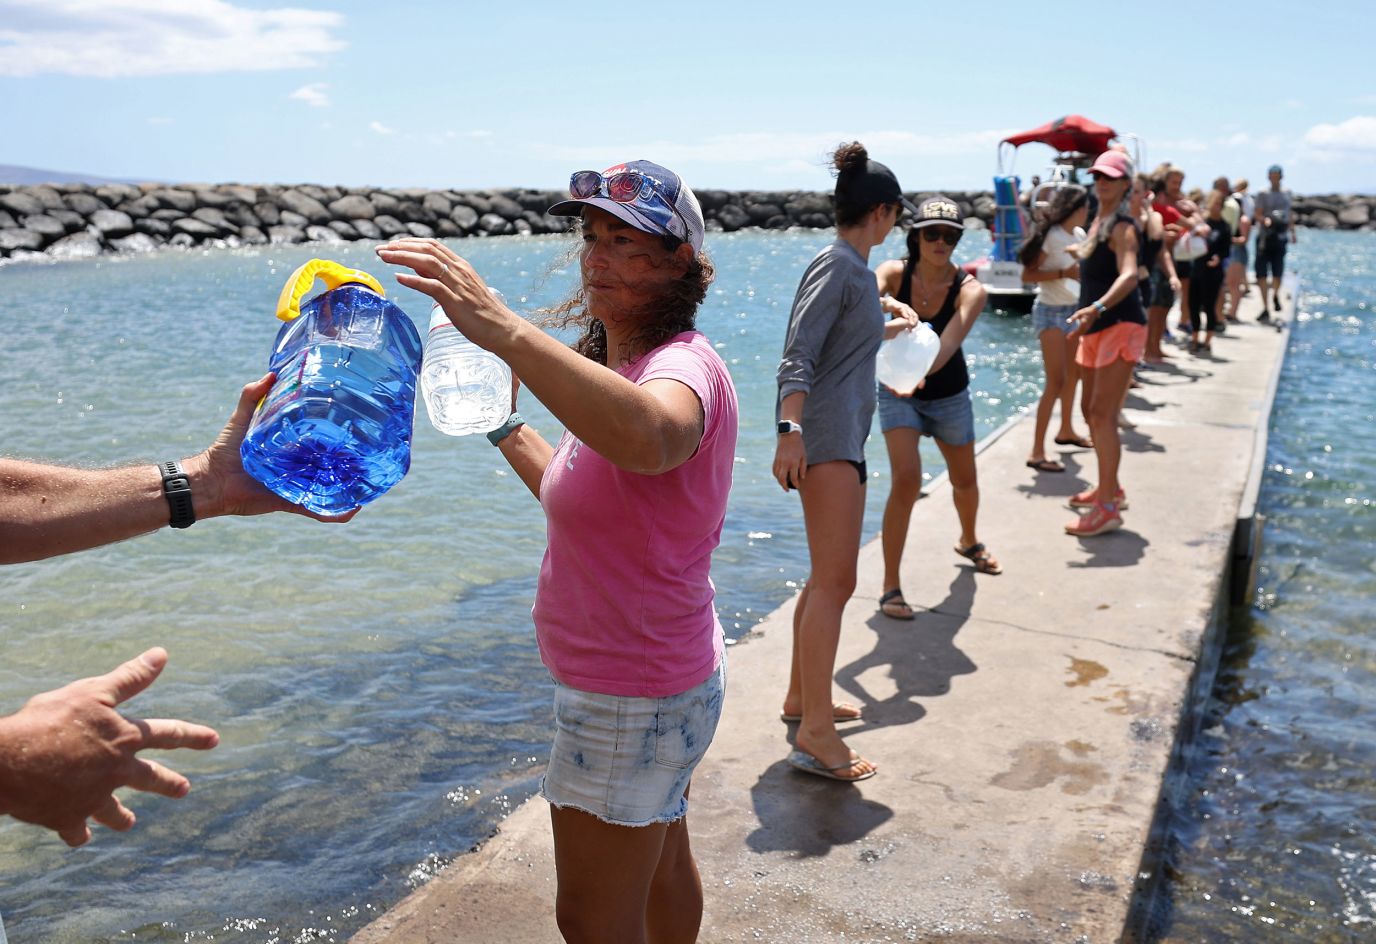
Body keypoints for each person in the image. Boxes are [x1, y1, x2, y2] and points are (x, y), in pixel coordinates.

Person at [377, 159, 737, 944]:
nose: (598, 256)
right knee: (658, 867)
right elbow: (586, 495)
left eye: (625, 239)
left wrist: (503, 327)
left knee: (592, 919)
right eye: (592, 236)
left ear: (681, 260)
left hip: (629, 694)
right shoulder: (624, 370)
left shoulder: (680, 368)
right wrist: (505, 427)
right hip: (664, 675)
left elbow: (654, 436)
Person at [773, 142, 915, 784]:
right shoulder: (839, 266)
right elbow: (798, 352)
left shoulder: (854, 271)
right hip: (825, 441)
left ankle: (806, 700)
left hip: (836, 439)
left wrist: (894, 328)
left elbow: (840, 343)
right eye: (897, 216)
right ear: (881, 213)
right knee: (837, 582)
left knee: (823, 578)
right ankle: (816, 736)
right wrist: (788, 431)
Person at [874, 195, 997, 618]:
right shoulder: (892, 273)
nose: (940, 242)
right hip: (896, 393)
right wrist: (888, 304)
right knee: (906, 479)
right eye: (932, 233)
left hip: (946, 392)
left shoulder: (971, 289)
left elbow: (948, 343)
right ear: (916, 236)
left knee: (965, 479)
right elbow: (861, 307)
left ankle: (969, 539)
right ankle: (891, 585)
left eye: (949, 235)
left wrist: (919, 375)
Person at [1065, 150, 1146, 537]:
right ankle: (1108, 485)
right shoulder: (1101, 220)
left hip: (1119, 323)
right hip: (1096, 326)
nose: (1102, 183)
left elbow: (1129, 275)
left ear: (1126, 183)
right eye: (1098, 176)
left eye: (1110, 178)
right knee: (1091, 410)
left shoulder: (1123, 226)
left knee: (1101, 415)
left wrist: (1095, 306)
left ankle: (1109, 506)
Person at [1017, 185, 1091, 472]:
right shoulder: (1051, 236)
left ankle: (1067, 430)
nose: (1087, 212)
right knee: (1055, 381)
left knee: (1074, 375)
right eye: (1085, 207)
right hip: (1050, 311)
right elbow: (1028, 274)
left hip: (1074, 310)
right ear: (1075, 208)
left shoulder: (1080, 236)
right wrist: (1064, 272)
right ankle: (1036, 450)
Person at [1134, 174, 1179, 365]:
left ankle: (1153, 349)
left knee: (1159, 312)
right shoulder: (1128, 220)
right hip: (1136, 278)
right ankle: (1145, 353)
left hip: (1148, 276)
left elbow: (1161, 250)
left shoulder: (1152, 217)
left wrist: (1173, 276)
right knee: (1146, 318)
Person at [1187, 191, 1233, 354]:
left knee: (1209, 306)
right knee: (1193, 305)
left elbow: (1226, 250)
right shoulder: (1202, 223)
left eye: (1219, 204)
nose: (1216, 207)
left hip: (1213, 273)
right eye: (1214, 203)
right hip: (1197, 269)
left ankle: (1207, 340)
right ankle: (1194, 337)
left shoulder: (1225, 227)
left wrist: (1218, 258)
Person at [1253, 164, 1296, 321]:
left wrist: (1293, 232)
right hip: (1265, 238)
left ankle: (1276, 295)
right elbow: (1257, 214)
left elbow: (1289, 214)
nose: (1274, 178)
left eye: (1277, 175)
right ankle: (1265, 307)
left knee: (1278, 272)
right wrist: (1266, 220)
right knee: (1261, 273)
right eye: (1272, 175)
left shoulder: (1287, 193)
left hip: (1281, 238)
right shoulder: (1262, 193)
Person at [1223, 178, 1253, 321]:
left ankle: (1233, 312)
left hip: (1237, 253)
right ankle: (1230, 311)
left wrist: (1227, 239)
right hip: (1233, 252)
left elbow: (1244, 239)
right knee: (1231, 283)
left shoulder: (1244, 220)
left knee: (1234, 284)